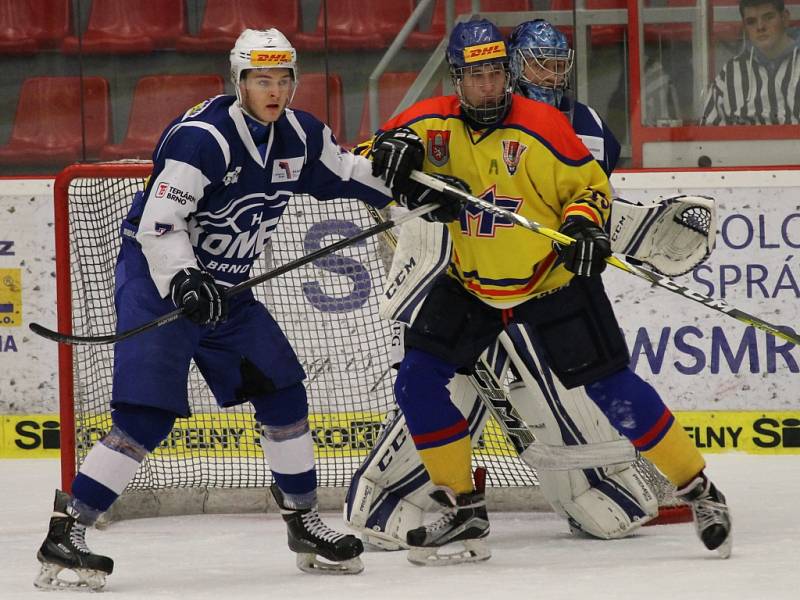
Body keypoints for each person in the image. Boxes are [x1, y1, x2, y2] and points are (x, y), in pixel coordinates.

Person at [33, 28, 462, 590]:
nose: (275, 90)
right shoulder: (202, 138)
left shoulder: (299, 136)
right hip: (161, 283)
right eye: (262, 79)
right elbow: (160, 222)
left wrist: (415, 188)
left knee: (283, 390)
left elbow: (352, 175)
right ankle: (69, 528)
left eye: (283, 79)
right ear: (239, 81)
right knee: (146, 416)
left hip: (229, 293)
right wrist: (184, 275)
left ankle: (303, 520)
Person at [364, 18, 732, 565]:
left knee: (611, 388)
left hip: (548, 283)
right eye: (476, 75)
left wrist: (584, 226)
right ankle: (463, 507)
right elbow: (371, 155)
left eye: (495, 72)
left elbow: (590, 189)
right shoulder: (430, 120)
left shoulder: (542, 124)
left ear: (506, 72)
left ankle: (701, 492)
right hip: (472, 285)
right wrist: (404, 173)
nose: (488, 85)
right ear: (456, 77)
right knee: (417, 380)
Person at [508, 19, 620, 176]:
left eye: (558, 67)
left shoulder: (588, 122)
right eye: (539, 65)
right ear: (515, 66)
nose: (551, 76)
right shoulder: (497, 119)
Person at [702, 0, 800, 125]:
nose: (760, 27)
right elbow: (707, 136)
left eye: (768, 17)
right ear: (744, 27)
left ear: (785, 18)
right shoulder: (729, 73)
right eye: (751, 22)